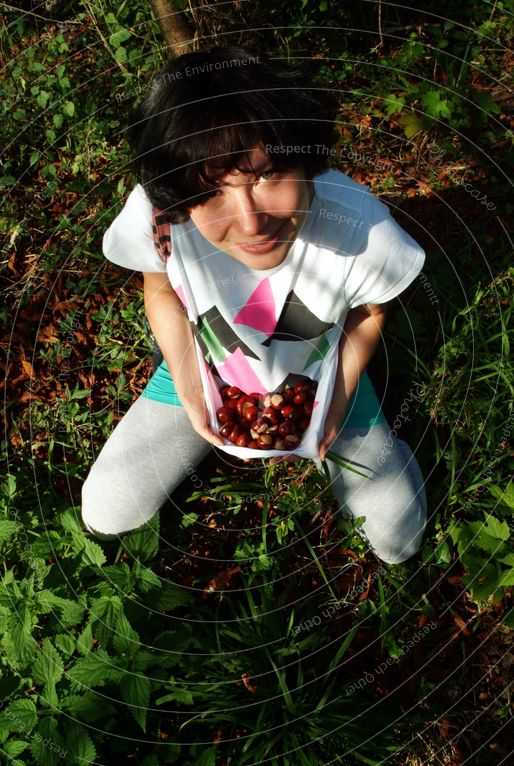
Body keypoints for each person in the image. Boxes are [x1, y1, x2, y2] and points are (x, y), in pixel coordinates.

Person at [81, 45, 427, 564]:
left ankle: (369, 421)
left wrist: (335, 400)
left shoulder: (363, 229)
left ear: (306, 158)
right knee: (104, 511)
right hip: (208, 363)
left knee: (399, 540)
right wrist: (187, 378)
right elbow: (159, 289)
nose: (248, 221)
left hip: (322, 371)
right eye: (212, 190)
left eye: (267, 175)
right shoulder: (161, 211)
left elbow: (371, 311)